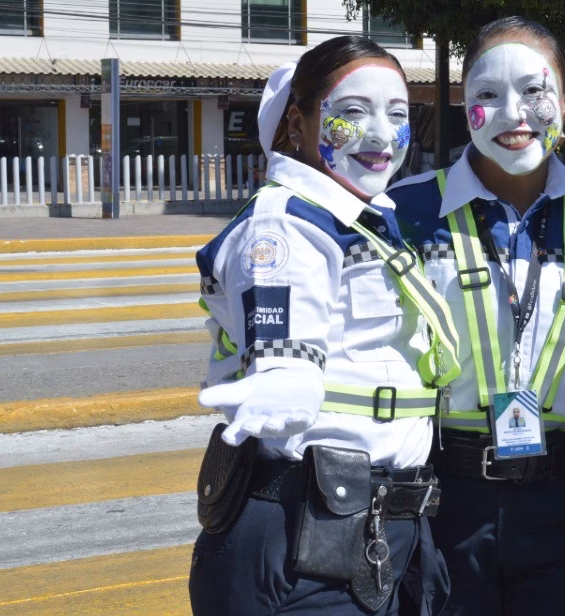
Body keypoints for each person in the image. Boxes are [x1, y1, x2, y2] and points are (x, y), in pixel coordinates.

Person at [188, 36, 459, 616]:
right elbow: (285, 320)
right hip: (307, 538)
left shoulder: (363, 222)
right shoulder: (286, 226)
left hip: (369, 526)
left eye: (397, 114)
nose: (382, 136)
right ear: (297, 122)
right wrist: (285, 372)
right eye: (353, 113)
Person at [388, 16, 565, 616]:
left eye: (535, 92)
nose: (512, 114)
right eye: (486, 96)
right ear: (464, 104)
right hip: (447, 499)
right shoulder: (405, 211)